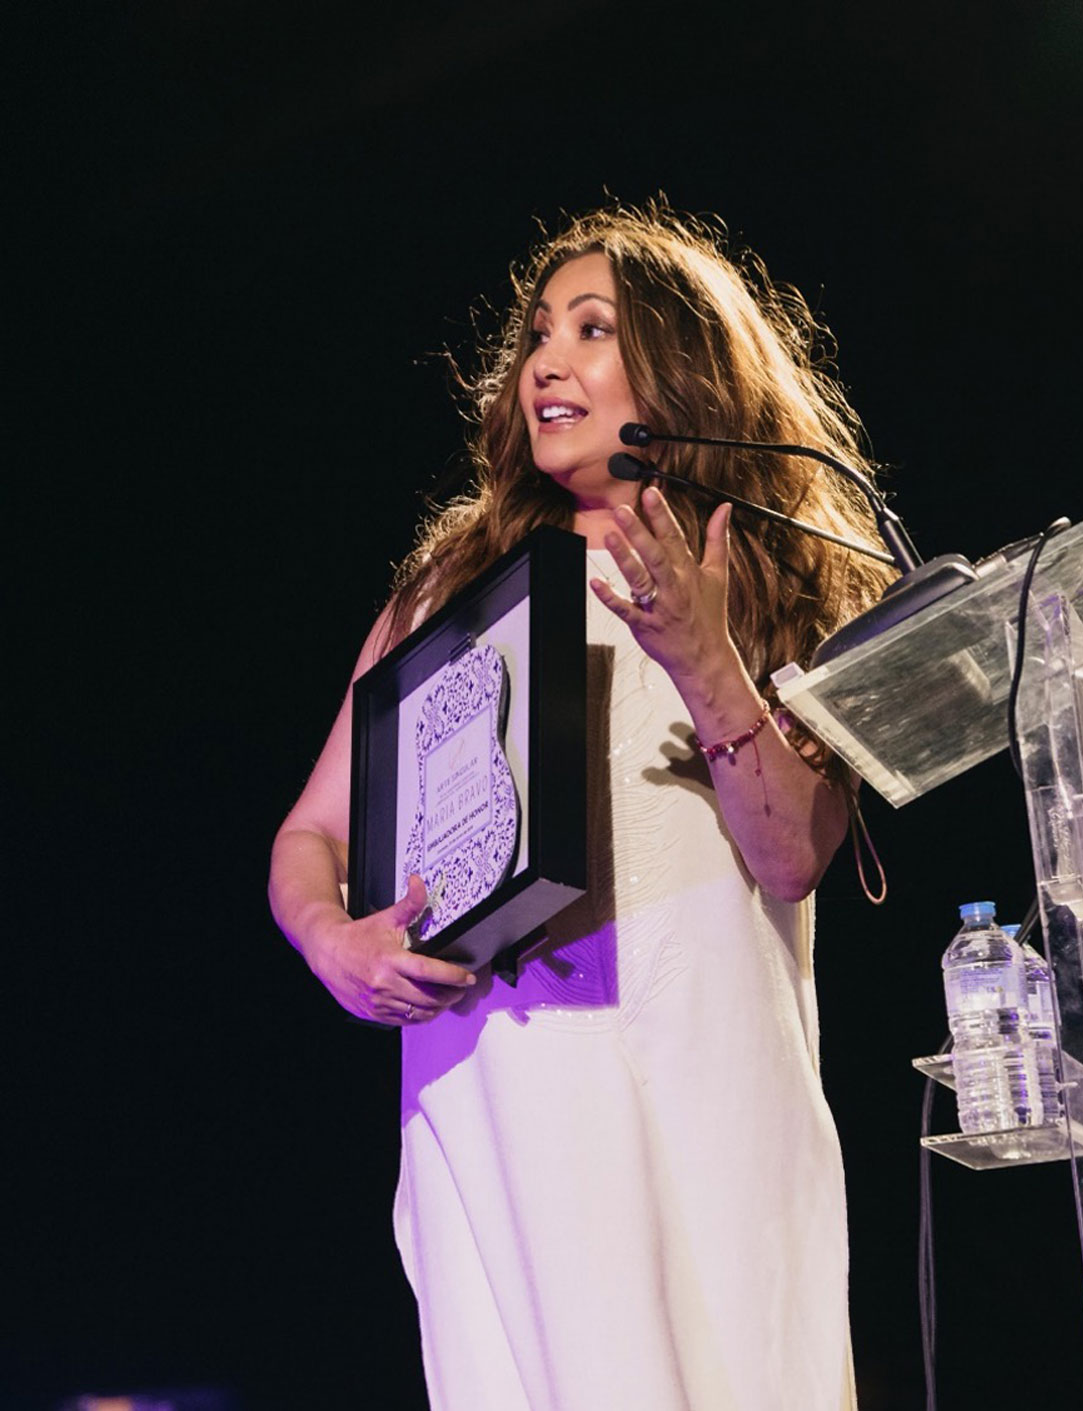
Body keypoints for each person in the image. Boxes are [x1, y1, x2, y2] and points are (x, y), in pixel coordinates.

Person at [269, 202, 893, 1411]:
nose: (545, 361)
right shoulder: (453, 584)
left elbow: (791, 853)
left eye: (592, 330)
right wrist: (333, 941)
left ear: (683, 366)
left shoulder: (760, 564)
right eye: (538, 334)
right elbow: (312, 833)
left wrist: (704, 656)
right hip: (497, 1060)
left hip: (695, 1038)